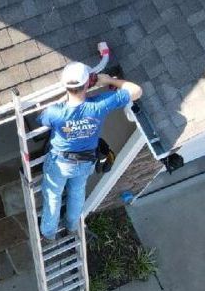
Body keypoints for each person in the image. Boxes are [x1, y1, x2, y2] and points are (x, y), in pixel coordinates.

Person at [38, 63, 143, 242]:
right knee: (77, 192)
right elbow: (136, 91)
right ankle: (71, 226)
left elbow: (43, 121)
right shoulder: (99, 105)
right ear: (87, 84)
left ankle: (49, 233)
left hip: (60, 163)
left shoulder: (55, 112)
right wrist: (109, 80)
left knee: (53, 196)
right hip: (86, 161)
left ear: (65, 86)